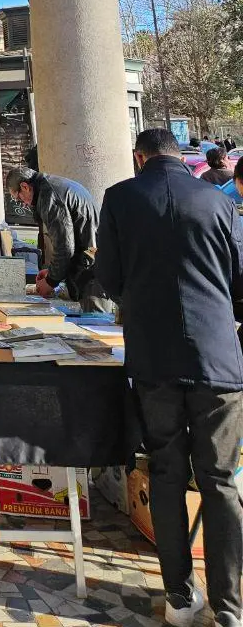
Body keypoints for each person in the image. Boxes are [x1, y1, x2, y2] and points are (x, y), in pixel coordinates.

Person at [95, 128, 243, 627]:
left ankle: (179, 597)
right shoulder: (216, 198)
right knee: (221, 482)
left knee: (166, 473)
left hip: (155, 358)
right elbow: (237, 276)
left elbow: (110, 279)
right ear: (182, 157)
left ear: (139, 157)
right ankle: (230, 607)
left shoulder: (119, 198)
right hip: (217, 359)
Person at [5, 165, 114, 312]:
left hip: (92, 272)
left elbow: (65, 246)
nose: (22, 203)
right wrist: (52, 271)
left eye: (18, 198)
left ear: (25, 187)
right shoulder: (50, 187)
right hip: (91, 265)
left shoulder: (49, 194)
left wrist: (50, 281)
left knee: (96, 324)